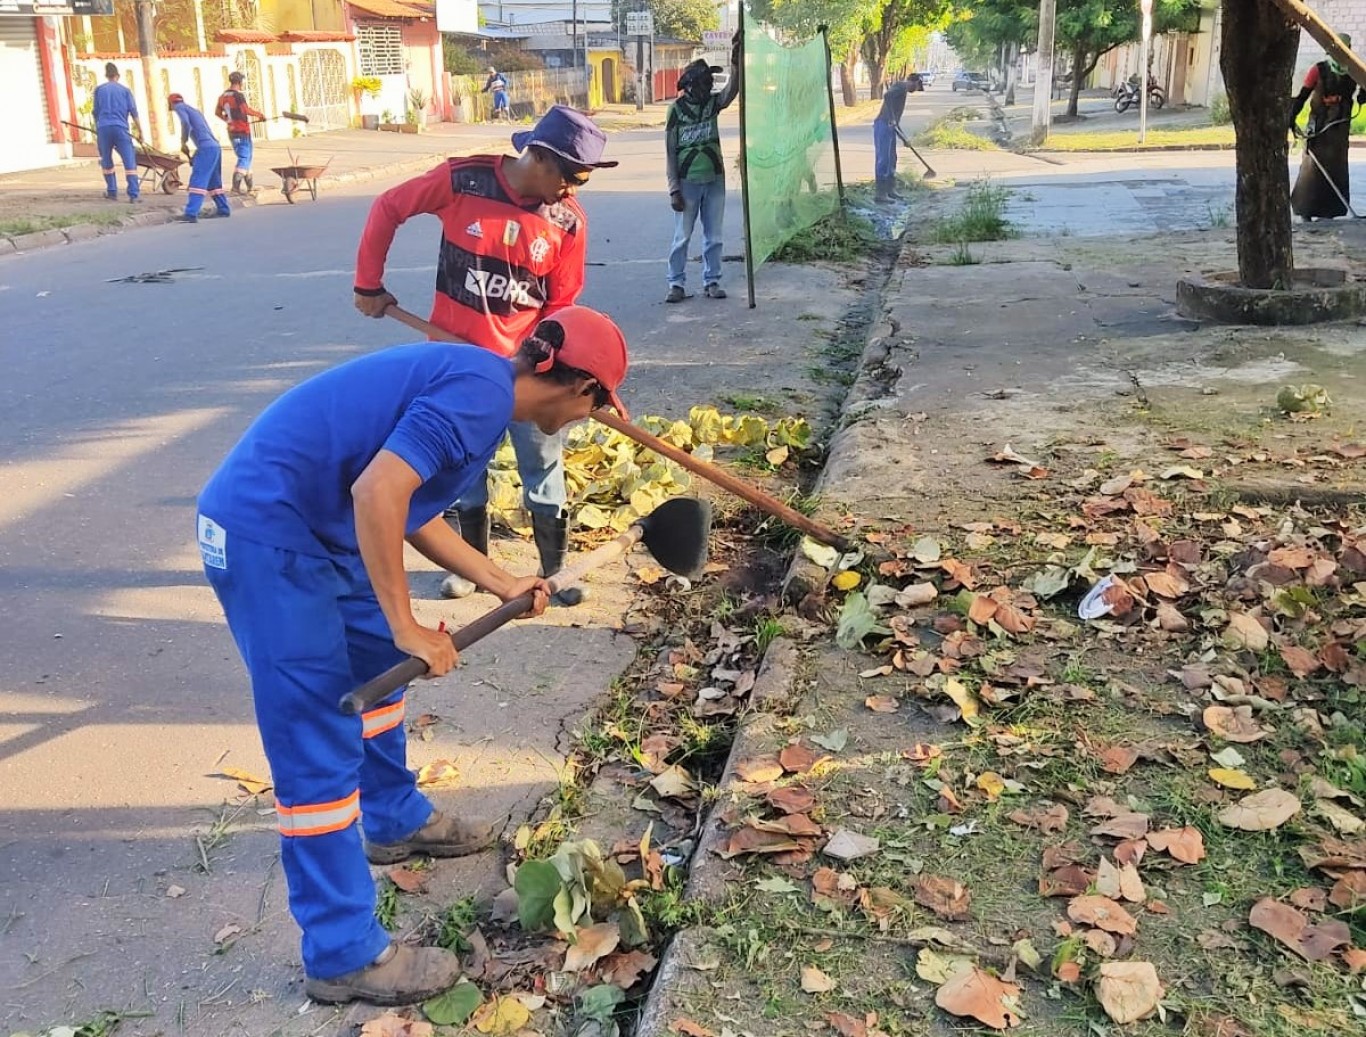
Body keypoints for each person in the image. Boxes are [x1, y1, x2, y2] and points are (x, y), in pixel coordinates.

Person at [197, 305, 629, 1006]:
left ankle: (394, 817)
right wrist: (405, 624)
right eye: (597, 406)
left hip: (318, 530)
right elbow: (379, 490)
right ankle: (343, 953)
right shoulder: (479, 395)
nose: (589, 418)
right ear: (581, 391)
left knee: (373, 667)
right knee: (317, 737)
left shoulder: (484, 389)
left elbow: (413, 506)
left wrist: (501, 579)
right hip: (266, 535)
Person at [353, 105, 618, 605]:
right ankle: (471, 566)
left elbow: (561, 307)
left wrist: (549, 369)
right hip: (455, 368)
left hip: (527, 373)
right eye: (568, 178)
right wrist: (368, 283)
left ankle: (554, 570)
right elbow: (389, 206)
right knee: (461, 468)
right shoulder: (463, 181)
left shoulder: (568, 222)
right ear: (538, 157)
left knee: (541, 464)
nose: (572, 192)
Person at [664, 39, 741, 304]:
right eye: (705, 82)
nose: (709, 86)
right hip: (687, 183)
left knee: (714, 236)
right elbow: (671, 153)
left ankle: (712, 280)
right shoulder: (676, 111)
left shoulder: (712, 105)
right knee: (682, 237)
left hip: (714, 180)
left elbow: (732, 90)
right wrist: (674, 189)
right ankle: (676, 283)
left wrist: (735, 61)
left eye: (710, 81)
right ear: (690, 86)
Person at [1290, 34, 1366, 222]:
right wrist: (1291, 118)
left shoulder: (1354, 70)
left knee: (1335, 169)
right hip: (1319, 127)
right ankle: (1306, 210)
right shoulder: (1318, 70)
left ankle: (1329, 212)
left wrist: (1362, 96)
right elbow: (1303, 95)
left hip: (1339, 129)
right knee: (1312, 169)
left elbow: (1363, 92)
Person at [169, 93, 231, 223]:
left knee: (198, 178)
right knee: (214, 182)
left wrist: (183, 142)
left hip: (206, 148)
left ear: (171, 103)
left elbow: (185, 123)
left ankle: (191, 213)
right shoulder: (194, 110)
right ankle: (223, 209)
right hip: (214, 147)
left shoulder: (179, 107)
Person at [92, 62, 142, 203]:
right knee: (129, 160)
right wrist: (140, 131)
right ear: (117, 76)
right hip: (121, 129)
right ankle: (133, 194)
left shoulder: (99, 90)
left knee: (106, 159)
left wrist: (98, 128)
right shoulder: (125, 91)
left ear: (106, 76)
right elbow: (133, 112)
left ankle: (112, 192)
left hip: (103, 129)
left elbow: (95, 112)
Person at [872, 76, 923, 205]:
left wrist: (903, 138)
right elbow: (887, 96)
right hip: (883, 125)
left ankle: (890, 190)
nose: (916, 89)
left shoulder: (903, 91)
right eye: (917, 86)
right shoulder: (901, 86)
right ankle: (881, 194)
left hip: (890, 127)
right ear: (914, 82)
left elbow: (896, 120)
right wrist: (891, 118)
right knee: (883, 159)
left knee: (892, 159)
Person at [215, 71, 264, 195]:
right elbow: (245, 110)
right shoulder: (238, 96)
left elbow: (217, 113)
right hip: (242, 131)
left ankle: (250, 188)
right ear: (240, 82)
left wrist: (228, 121)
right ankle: (235, 188)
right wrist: (259, 115)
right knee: (244, 158)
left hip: (232, 132)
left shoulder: (223, 96)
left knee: (246, 158)